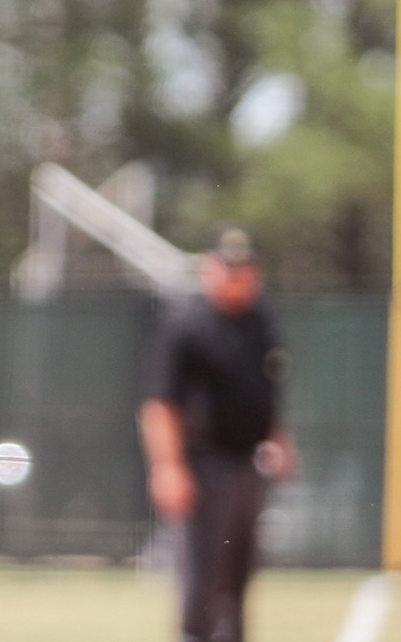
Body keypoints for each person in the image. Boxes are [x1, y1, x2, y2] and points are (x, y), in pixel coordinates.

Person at [138, 225, 297, 642]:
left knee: (238, 578)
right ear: (209, 268)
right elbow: (161, 403)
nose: (238, 277)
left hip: (248, 465)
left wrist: (279, 440)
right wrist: (168, 467)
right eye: (228, 269)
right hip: (204, 466)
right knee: (202, 582)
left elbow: (265, 389)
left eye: (245, 269)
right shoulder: (186, 324)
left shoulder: (259, 320)